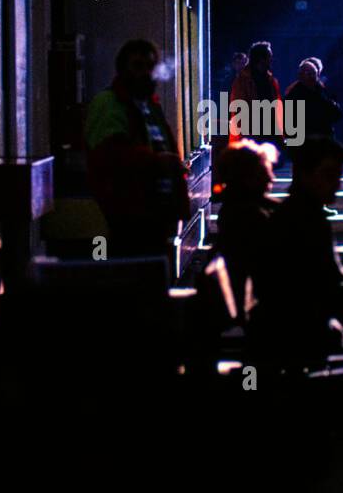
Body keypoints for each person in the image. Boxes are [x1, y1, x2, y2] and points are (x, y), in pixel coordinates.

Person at [249, 138, 343, 374]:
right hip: (297, 337)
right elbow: (331, 284)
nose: (337, 183)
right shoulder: (306, 221)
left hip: (284, 330)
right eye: (328, 174)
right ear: (304, 174)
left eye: (338, 175)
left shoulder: (292, 213)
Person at [85, 39, 190, 259]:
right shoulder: (109, 103)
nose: (146, 73)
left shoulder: (149, 105)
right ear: (123, 69)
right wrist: (159, 161)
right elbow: (110, 155)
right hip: (130, 216)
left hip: (155, 215)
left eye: (150, 67)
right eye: (138, 66)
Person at [213, 139, 278, 317]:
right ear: (251, 177)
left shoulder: (232, 209)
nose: (272, 177)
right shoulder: (254, 217)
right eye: (266, 170)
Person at [229, 41, 283, 147]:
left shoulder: (270, 80)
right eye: (269, 56)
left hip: (269, 135)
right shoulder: (243, 80)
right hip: (252, 137)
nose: (271, 60)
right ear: (261, 59)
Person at [282, 58, 343, 141]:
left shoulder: (322, 91)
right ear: (300, 75)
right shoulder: (293, 94)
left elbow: (337, 114)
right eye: (309, 74)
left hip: (324, 140)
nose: (313, 77)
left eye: (314, 74)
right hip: (305, 143)